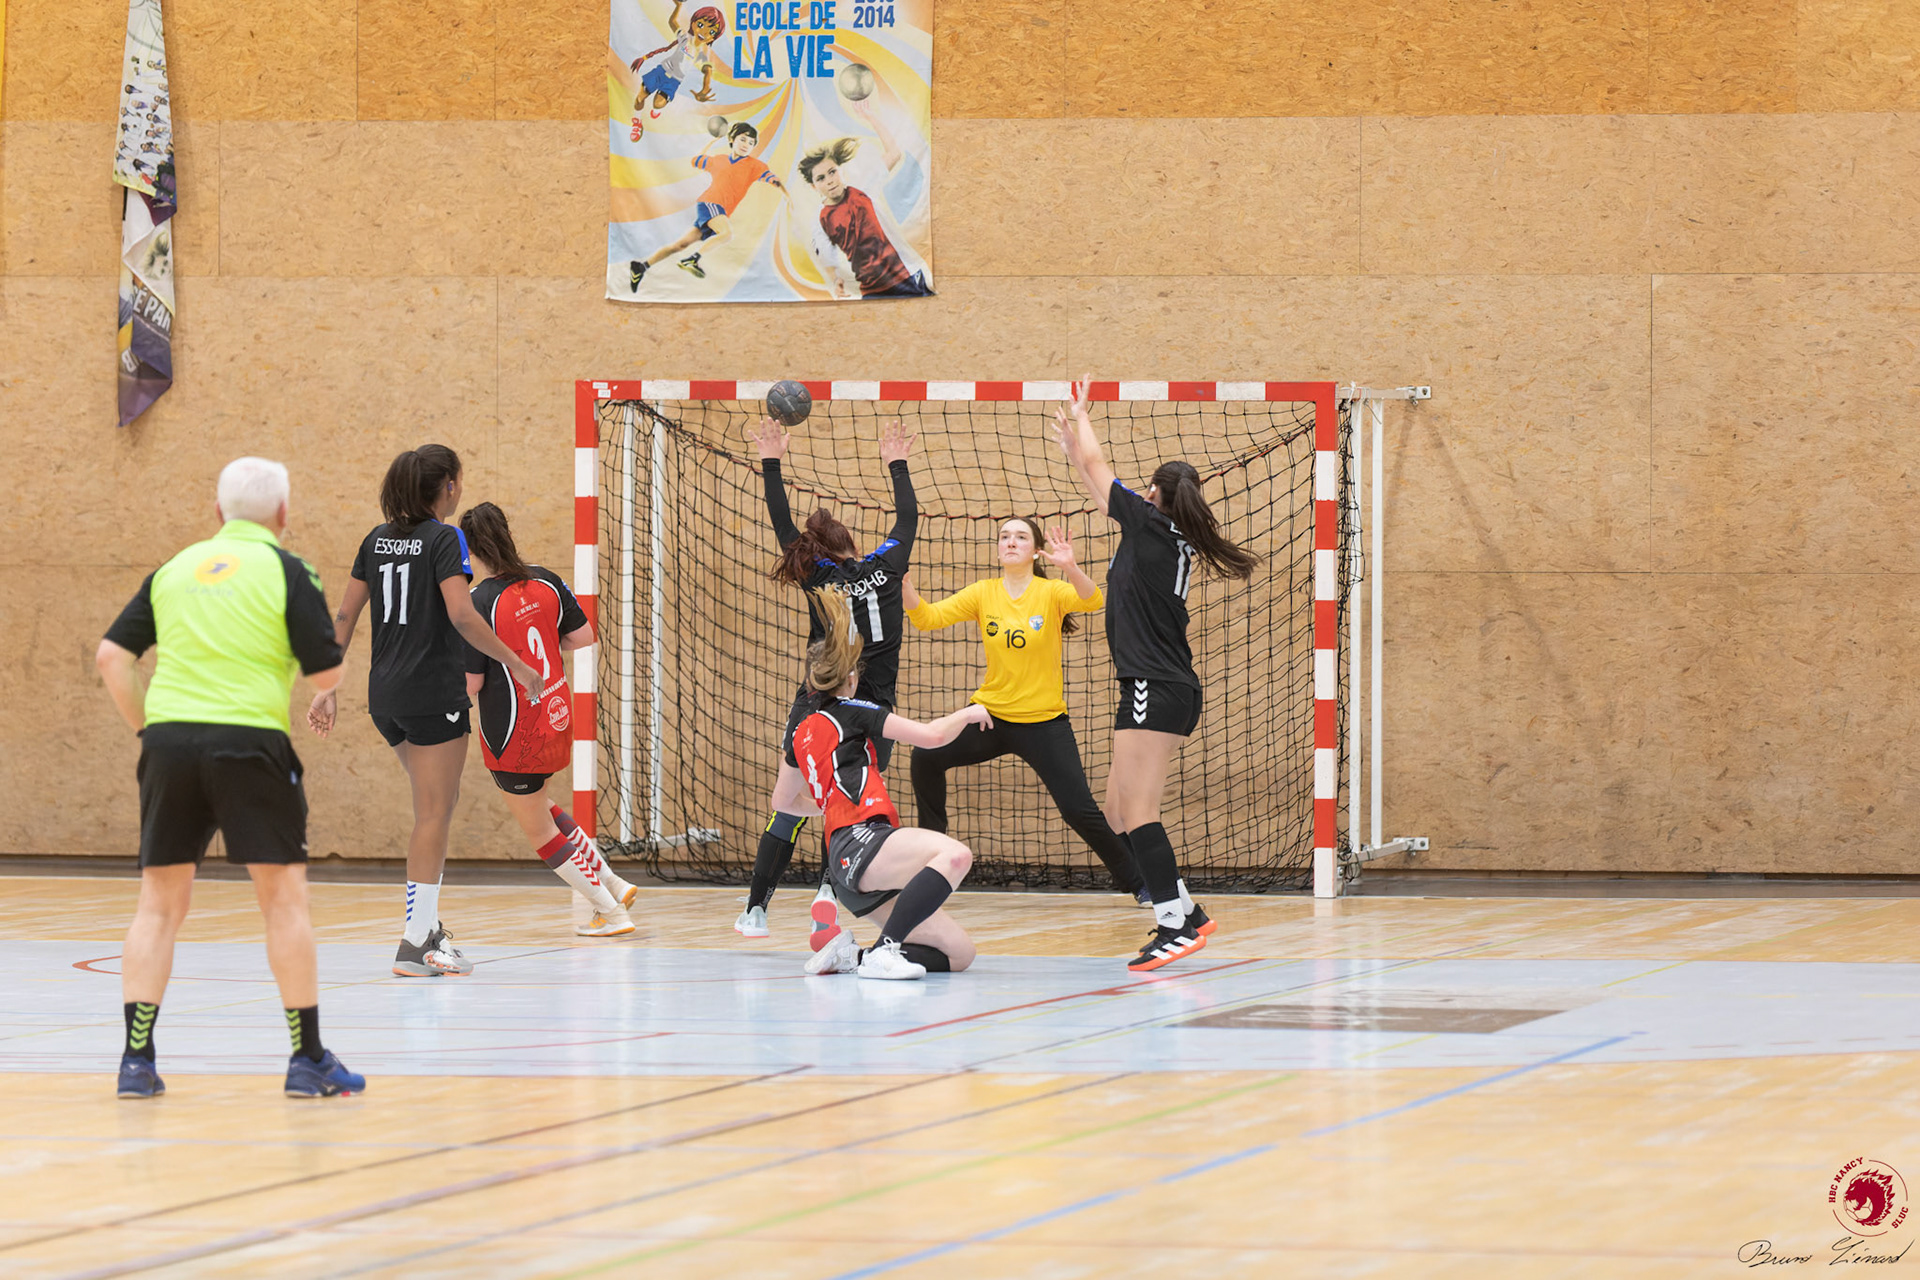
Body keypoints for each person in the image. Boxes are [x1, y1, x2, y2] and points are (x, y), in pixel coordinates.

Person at [97, 457, 364, 1098]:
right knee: (283, 902)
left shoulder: (173, 569)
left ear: (217, 515)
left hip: (169, 745)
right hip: (249, 743)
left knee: (158, 907)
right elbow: (325, 673)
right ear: (283, 516)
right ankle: (307, 1060)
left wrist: (148, 730)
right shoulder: (288, 569)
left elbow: (112, 657)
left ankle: (136, 1063)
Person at [307, 445, 543, 978]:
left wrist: (327, 685)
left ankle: (430, 931)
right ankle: (415, 944)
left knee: (437, 802)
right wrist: (517, 664)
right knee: (433, 815)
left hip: (385, 697)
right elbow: (462, 616)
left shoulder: (376, 538)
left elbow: (344, 614)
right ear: (449, 487)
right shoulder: (444, 538)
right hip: (432, 695)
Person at [1050, 379, 1260, 971]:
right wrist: (1074, 454)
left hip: (1154, 684)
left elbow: (1099, 467)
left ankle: (1171, 923)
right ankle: (1188, 911)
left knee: (1139, 812)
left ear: (1155, 496)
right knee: (1117, 812)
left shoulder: (1151, 528)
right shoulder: (1157, 534)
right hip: (1151, 684)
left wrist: (1082, 419)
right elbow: (1097, 485)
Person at [735, 416, 917, 941]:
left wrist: (772, 458)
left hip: (817, 699)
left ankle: (755, 912)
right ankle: (827, 891)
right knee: (850, 808)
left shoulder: (819, 579)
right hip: (872, 708)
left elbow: (782, 525)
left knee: (787, 806)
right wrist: (895, 462)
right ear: (855, 545)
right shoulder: (888, 566)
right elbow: (907, 517)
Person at [902, 518, 1146, 901]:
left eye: (1020, 537)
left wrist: (1070, 567)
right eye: (1004, 537)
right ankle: (935, 860)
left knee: (1079, 811)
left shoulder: (1050, 592)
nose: (1010, 542)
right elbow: (927, 618)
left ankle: (1140, 883)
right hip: (989, 717)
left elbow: (1092, 600)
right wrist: (906, 589)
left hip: (1043, 723)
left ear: (1034, 551)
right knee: (926, 757)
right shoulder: (984, 592)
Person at [459, 502, 640, 936]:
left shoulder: (478, 602)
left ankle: (608, 912)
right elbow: (582, 635)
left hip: (512, 730)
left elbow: (471, 683)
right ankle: (613, 883)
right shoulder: (546, 578)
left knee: (539, 831)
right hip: (555, 717)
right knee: (541, 804)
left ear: (471, 550)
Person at [792, 591, 991, 980]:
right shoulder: (854, 711)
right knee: (954, 856)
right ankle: (886, 950)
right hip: (862, 843)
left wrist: (831, 805)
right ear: (851, 678)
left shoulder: (800, 731)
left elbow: (784, 800)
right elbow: (931, 736)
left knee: (959, 954)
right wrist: (969, 712)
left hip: (848, 863)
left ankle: (854, 957)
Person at [628, 123, 787, 290]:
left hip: (720, 211)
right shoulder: (719, 160)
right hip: (710, 203)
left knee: (680, 245)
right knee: (726, 234)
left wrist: (787, 196)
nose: (746, 145)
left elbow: (773, 180)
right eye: (743, 139)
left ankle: (641, 267)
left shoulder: (755, 166)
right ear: (732, 139)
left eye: (751, 142)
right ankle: (693, 259)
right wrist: (714, 140)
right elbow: (696, 160)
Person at [626, 1, 723, 141]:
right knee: (640, 96)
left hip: (673, 81)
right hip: (661, 71)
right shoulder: (685, 38)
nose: (704, 32)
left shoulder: (702, 53)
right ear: (694, 22)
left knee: (657, 103)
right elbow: (672, 22)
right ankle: (637, 122)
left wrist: (704, 89)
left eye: (711, 31)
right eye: (701, 25)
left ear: (713, 37)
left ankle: (656, 110)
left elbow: (707, 71)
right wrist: (678, 7)